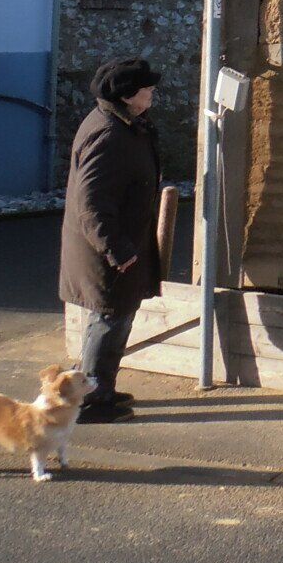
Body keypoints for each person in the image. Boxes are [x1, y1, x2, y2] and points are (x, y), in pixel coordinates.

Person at [59, 56, 162, 424]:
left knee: (114, 316)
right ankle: (90, 400)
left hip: (119, 247)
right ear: (128, 95)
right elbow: (91, 202)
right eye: (147, 88)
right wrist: (116, 249)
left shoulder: (124, 125)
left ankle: (100, 387)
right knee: (108, 319)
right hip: (107, 252)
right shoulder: (108, 133)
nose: (152, 92)